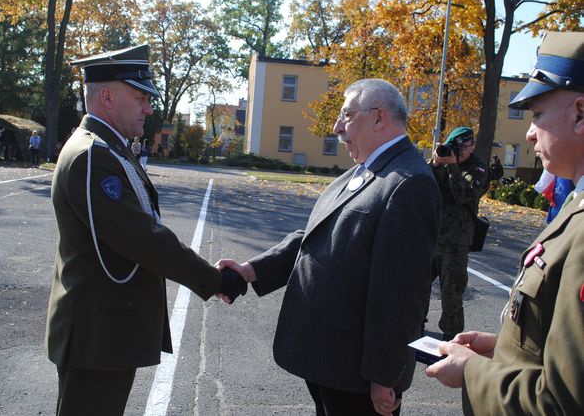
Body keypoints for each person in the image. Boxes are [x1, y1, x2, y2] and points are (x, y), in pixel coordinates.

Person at [218, 78, 441, 416]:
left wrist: (385, 376)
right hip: (330, 360)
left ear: (379, 118)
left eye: (347, 116)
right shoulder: (365, 171)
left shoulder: (409, 183)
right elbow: (316, 236)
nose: (337, 127)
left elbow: (401, 294)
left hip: (358, 374)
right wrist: (253, 270)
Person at [45, 44, 242, 416]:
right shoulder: (93, 156)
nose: (149, 108)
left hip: (104, 330)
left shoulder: (108, 149)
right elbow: (142, 238)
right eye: (140, 98)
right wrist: (214, 280)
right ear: (106, 96)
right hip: (96, 334)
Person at [426, 31, 584, 415]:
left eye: (537, 114)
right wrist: (504, 348)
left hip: (458, 242)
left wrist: (472, 371)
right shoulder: (575, 207)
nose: (529, 132)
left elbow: (563, 402)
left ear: (580, 114)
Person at [423, 126, 489, 341]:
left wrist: (452, 167)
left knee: (451, 292)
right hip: (431, 235)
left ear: (472, 146)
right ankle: (415, 324)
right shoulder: (443, 162)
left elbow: (464, 195)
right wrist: (435, 164)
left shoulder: (477, 168)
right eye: (456, 148)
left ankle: (452, 337)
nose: (459, 152)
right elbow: (421, 184)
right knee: (417, 286)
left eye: (464, 148)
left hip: (456, 241)